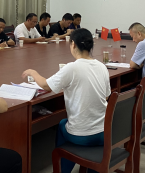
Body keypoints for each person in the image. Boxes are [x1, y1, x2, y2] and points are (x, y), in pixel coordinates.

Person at [22, 29, 110, 173]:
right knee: (66, 123)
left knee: (62, 124)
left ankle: (62, 170)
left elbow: (46, 85)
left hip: (83, 135)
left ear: (73, 44)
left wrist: (33, 73)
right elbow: (106, 97)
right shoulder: (102, 66)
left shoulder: (72, 68)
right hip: (104, 132)